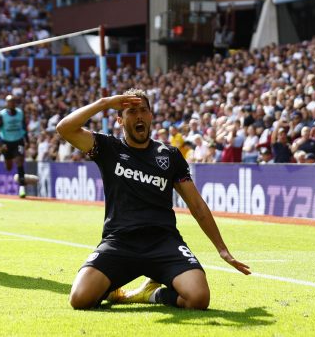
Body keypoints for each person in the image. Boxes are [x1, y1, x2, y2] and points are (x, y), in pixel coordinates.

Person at [56, 88, 250, 310]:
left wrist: (222, 249)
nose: (139, 116)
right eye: (131, 112)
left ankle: (152, 294)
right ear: (120, 119)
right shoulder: (108, 148)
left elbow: (196, 204)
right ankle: (110, 287)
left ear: (150, 116)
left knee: (198, 298)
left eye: (143, 110)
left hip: (163, 243)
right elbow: (65, 128)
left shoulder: (170, 155)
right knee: (80, 300)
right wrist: (104, 103)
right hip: (120, 242)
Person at [0, 94, 28, 198]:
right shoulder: (2, 115)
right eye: (10, 102)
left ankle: (22, 188)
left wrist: (27, 139)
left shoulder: (20, 113)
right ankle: (18, 176)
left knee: (19, 161)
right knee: (9, 167)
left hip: (18, 141)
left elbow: (24, 127)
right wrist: (0, 143)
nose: (12, 103)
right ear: (6, 103)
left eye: (13, 101)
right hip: (6, 143)